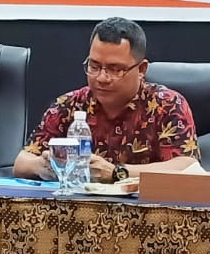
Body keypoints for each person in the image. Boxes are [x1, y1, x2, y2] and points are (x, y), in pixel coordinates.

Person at [13, 17, 199, 182]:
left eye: (115, 69)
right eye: (94, 66)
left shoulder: (167, 105)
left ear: (141, 69)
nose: (101, 78)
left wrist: (118, 173)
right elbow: (22, 162)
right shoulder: (69, 105)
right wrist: (44, 166)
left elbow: (186, 166)